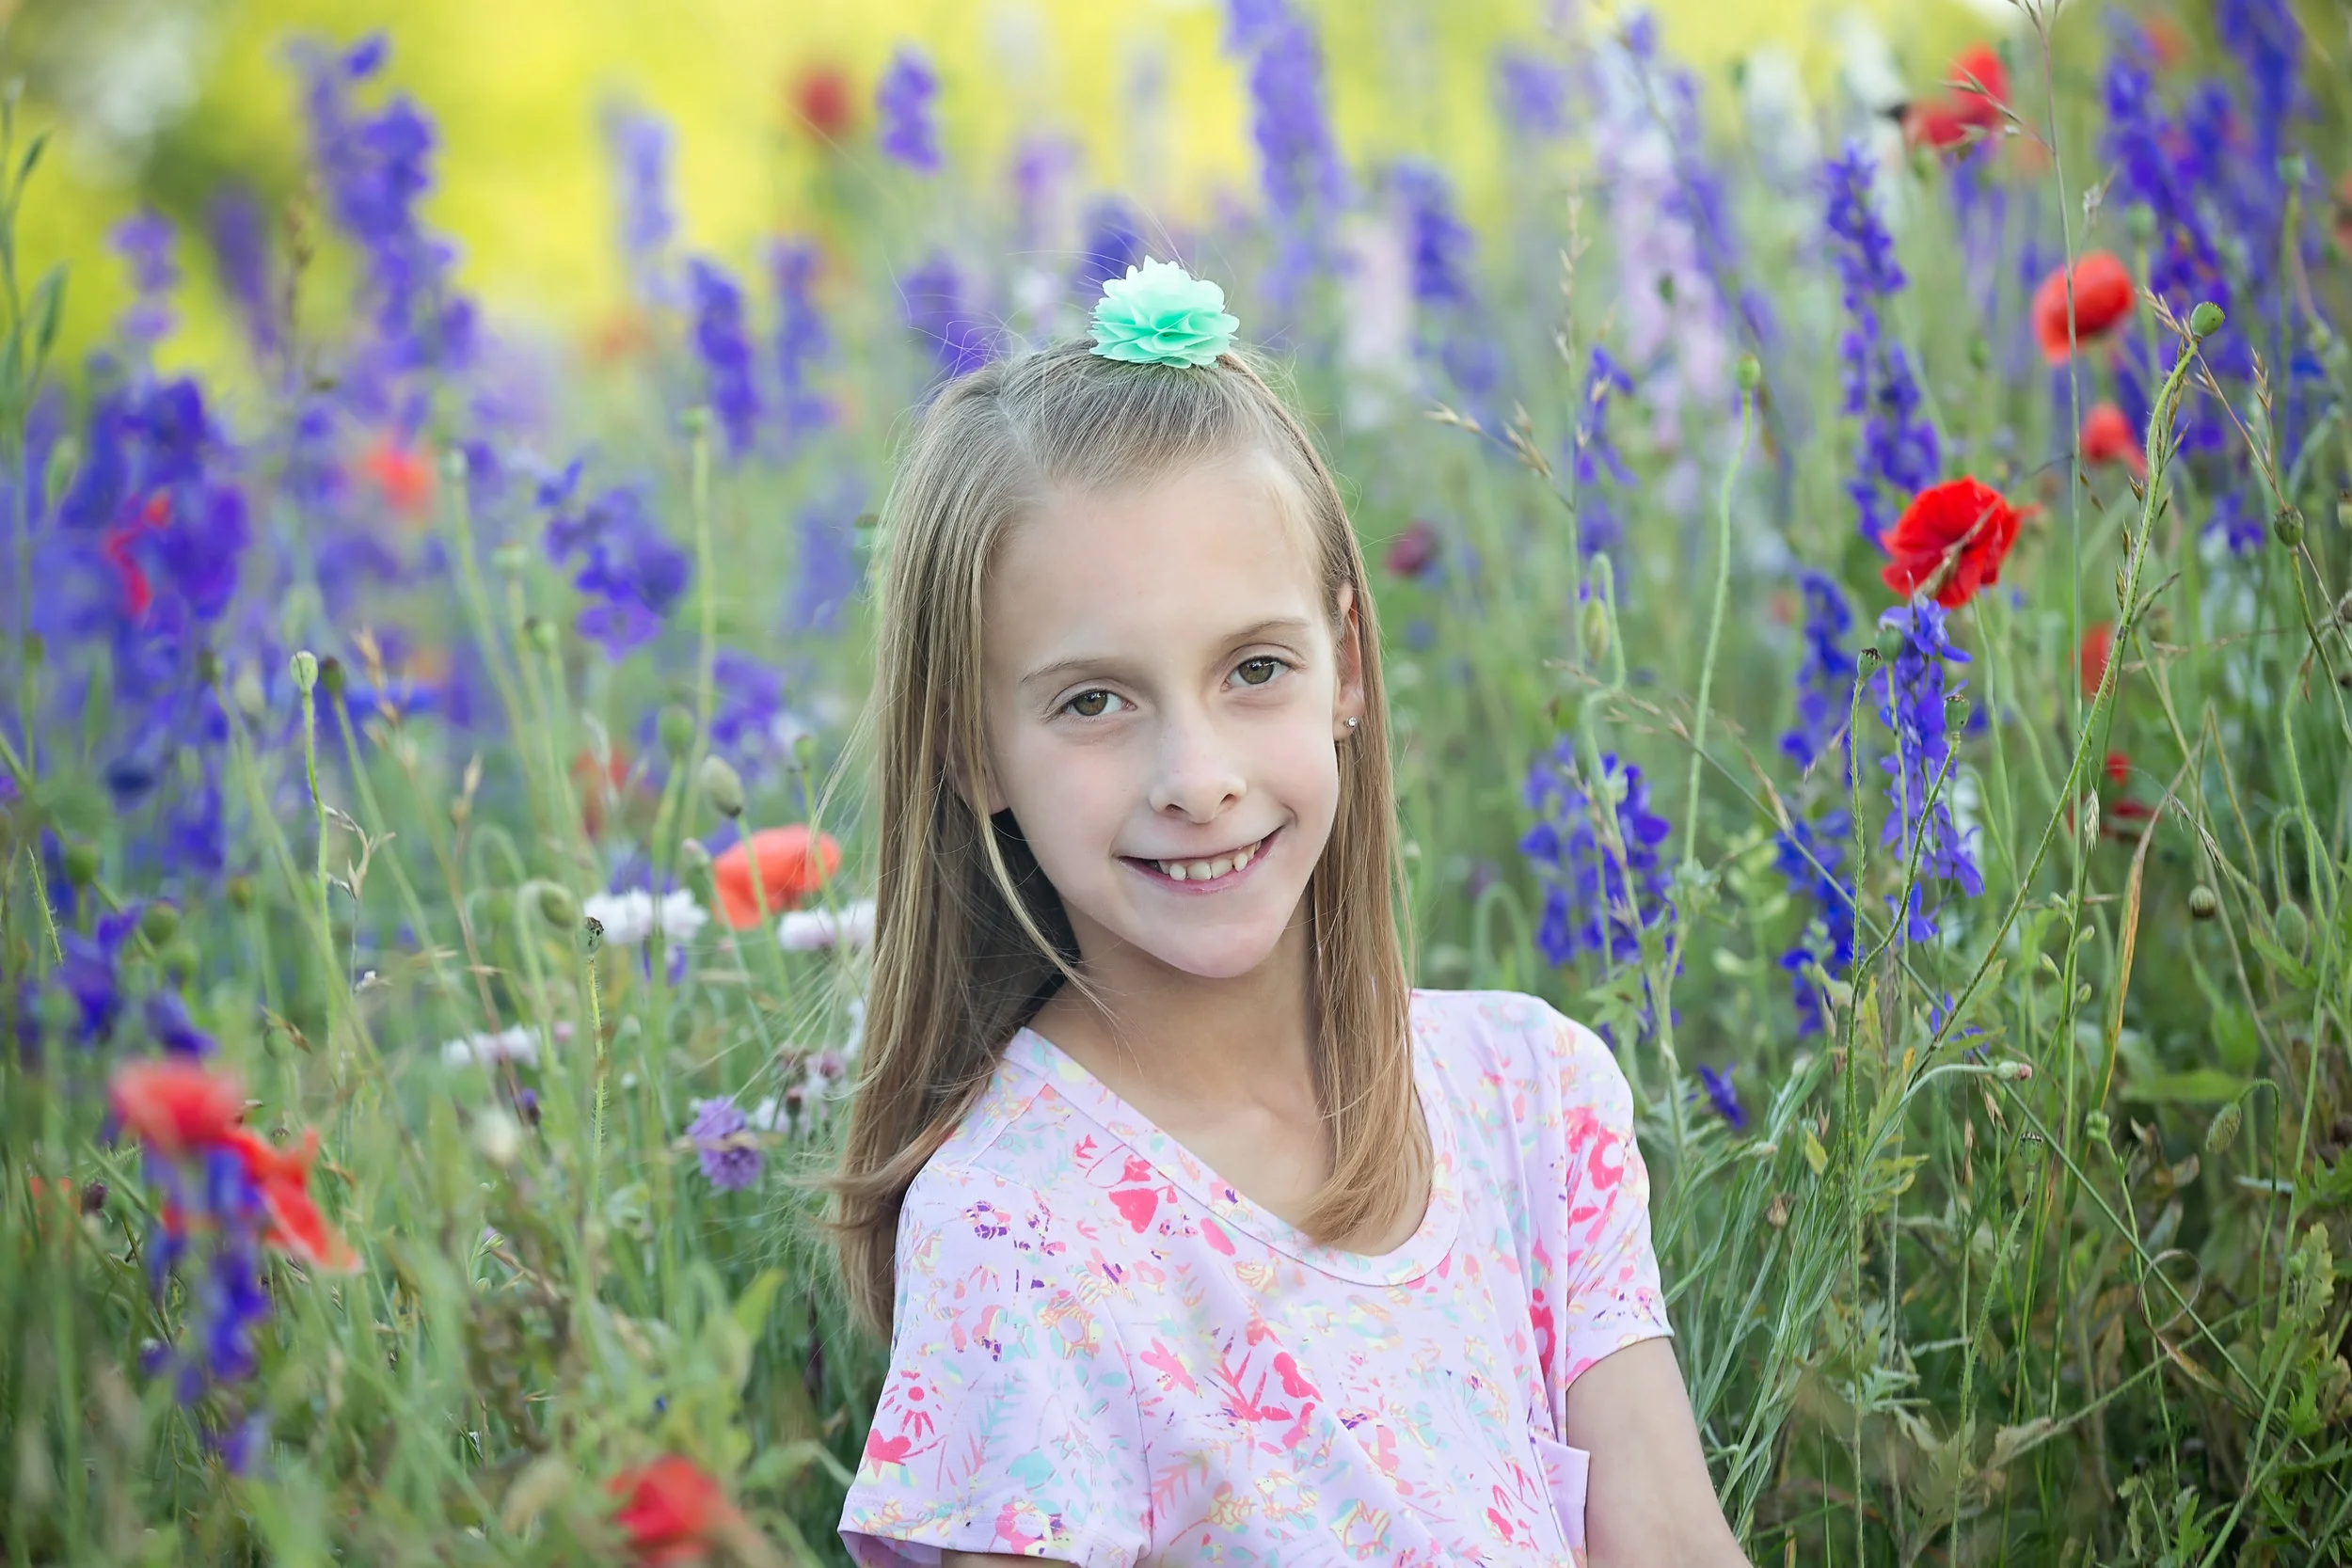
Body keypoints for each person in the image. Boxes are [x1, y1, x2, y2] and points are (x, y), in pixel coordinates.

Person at [830, 258, 1749, 1567]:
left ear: (1347, 668)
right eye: (1094, 700)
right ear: (971, 749)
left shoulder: (1531, 1100)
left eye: (1254, 668)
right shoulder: (1016, 1232)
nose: (1197, 776)